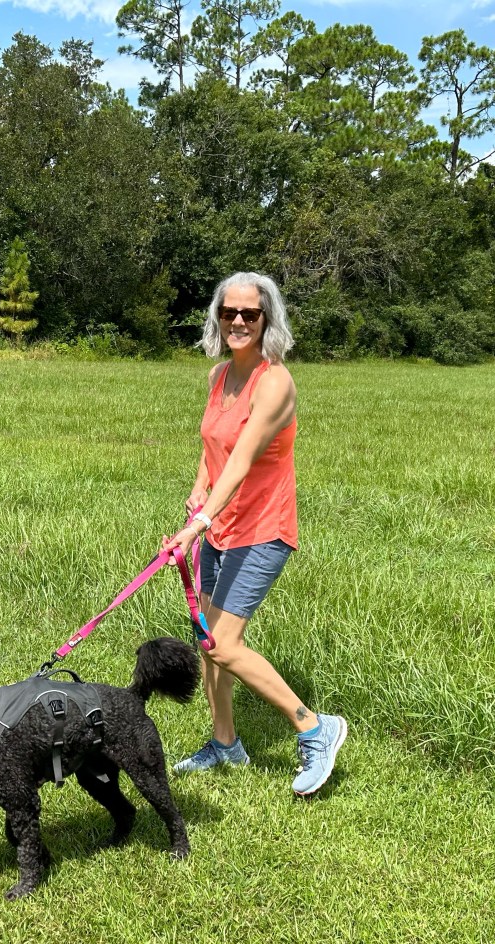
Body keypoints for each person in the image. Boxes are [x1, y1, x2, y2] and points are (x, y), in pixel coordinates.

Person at [160, 272, 346, 796]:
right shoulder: (221, 376)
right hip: (221, 527)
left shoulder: (275, 382)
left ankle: (314, 727)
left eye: (250, 314)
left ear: (268, 320)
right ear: (217, 317)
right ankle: (225, 744)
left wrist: (195, 524)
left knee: (222, 643)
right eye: (229, 312)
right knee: (207, 640)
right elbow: (212, 450)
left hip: (262, 530)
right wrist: (199, 498)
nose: (238, 321)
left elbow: (242, 461)